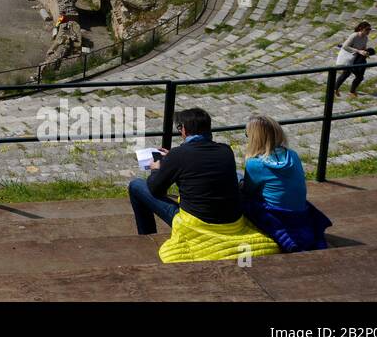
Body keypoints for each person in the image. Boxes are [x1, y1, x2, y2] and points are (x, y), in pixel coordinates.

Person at [127, 107, 241, 235]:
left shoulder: (179, 155)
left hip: (197, 223)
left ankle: (147, 236)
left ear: (185, 130)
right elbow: (200, 162)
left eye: (180, 128)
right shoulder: (226, 150)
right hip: (230, 220)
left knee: (136, 186)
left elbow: (155, 189)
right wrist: (171, 159)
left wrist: (157, 169)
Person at [239, 114, 331, 253]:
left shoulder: (255, 164)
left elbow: (249, 192)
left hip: (278, 216)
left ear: (254, 138)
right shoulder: (292, 155)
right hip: (300, 212)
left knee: (238, 188)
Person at [334, 21, 374, 95]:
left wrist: (365, 52)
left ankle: (350, 91)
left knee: (357, 76)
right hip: (348, 58)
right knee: (348, 74)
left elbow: (363, 47)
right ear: (361, 28)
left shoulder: (365, 38)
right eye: (367, 29)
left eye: (370, 29)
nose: (369, 31)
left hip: (355, 58)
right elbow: (345, 46)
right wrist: (358, 51)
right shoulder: (354, 35)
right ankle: (338, 90)